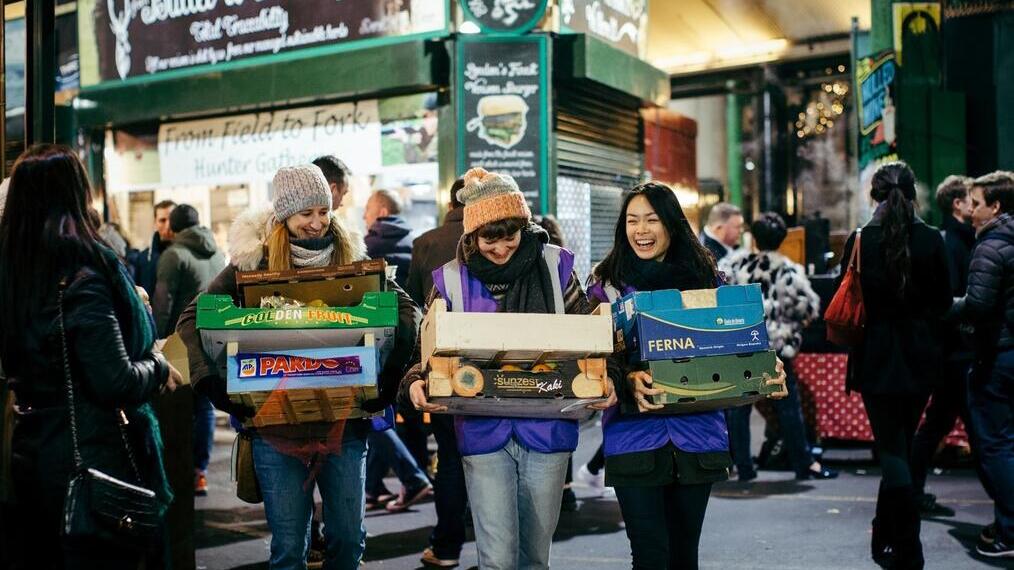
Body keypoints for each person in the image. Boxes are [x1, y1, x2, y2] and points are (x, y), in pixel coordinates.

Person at [177, 164, 420, 569]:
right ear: (284, 215)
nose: (317, 222)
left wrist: (389, 378)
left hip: (345, 420)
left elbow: (407, 309)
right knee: (289, 547)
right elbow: (192, 320)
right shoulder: (251, 264)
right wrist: (217, 391)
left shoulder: (352, 257)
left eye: (323, 211)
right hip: (274, 425)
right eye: (306, 213)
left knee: (347, 540)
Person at [404, 167, 615, 570]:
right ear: (470, 236)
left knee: (535, 557)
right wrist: (416, 380)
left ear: (524, 226)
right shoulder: (451, 279)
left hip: (548, 429)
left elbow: (589, 331)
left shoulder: (555, 268)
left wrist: (605, 376)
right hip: (483, 431)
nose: (501, 248)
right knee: (497, 559)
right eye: (489, 238)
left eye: (510, 235)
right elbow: (424, 348)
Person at [586, 182, 787, 569]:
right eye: (632, 221)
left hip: (698, 439)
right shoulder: (606, 285)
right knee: (650, 556)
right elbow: (593, 357)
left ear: (672, 224)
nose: (640, 230)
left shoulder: (708, 279)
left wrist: (764, 366)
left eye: (651, 219)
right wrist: (625, 378)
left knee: (684, 556)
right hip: (633, 440)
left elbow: (738, 343)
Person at [0, 144, 182, 569]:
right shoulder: (82, 276)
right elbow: (113, 379)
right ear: (75, 196)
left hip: (32, 455)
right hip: (91, 461)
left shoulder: (16, 276)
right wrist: (156, 367)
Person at [835, 162, 952, 569]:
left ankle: (907, 543)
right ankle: (887, 531)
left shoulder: (861, 240)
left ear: (874, 195)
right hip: (922, 357)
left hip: (876, 356)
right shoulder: (932, 239)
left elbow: (843, 296)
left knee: (892, 449)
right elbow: (943, 302)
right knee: (900, 444)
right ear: (914, 193)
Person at [721, 212, 838, 481]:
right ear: (782, 238)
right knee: (788, 407)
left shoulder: (734, 266)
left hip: (740, 347)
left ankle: (743, 468)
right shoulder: (787, 270)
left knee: (739, 408)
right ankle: (803, 463)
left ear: (754, 237)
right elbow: (807, 307)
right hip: (776, 350)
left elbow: (721, 301)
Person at [402, 178, 469, 567]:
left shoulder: (426, 242)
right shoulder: (493, 238)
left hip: (444, 365)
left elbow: (413, 309)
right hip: (496, 365)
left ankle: (447, 547)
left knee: (451, 457)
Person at [911, 175, 983, 516]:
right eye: (972, 198)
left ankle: (912, 491)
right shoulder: (951, 244)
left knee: (937, 425)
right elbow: (948, 299)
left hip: (955, 352)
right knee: (982, 434)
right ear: (957, 203)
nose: (976, 204)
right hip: (958, 352)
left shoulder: (959, 240)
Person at [952, 170, 1014, 558]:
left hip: (999, 355)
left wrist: (947, 307)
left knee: (995, 445)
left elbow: (977, 305)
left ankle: (1009, 530)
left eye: (975, 203)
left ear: (996, 206)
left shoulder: (991, 246)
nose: (969, 210)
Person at [152, 204, 226, 497]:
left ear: (173, 226)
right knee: (205, 405)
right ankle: (200, 472)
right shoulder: (217, 252)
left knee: (179, 407)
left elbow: (162, 304)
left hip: (181, 341)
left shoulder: (173, 255)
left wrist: (154, 341)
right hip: (213, 338)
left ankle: (180, 471)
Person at [364, 189, 414, 287]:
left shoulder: (366, 246)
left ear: (383, 212)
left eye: (368, 209)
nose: (364, 216)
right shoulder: (414, 243)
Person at [134, 199, 176, 300]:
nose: (168, 225)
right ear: (155, 223)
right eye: (162, 220)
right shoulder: (143, 259)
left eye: (172, 219)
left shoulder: (190, 253)